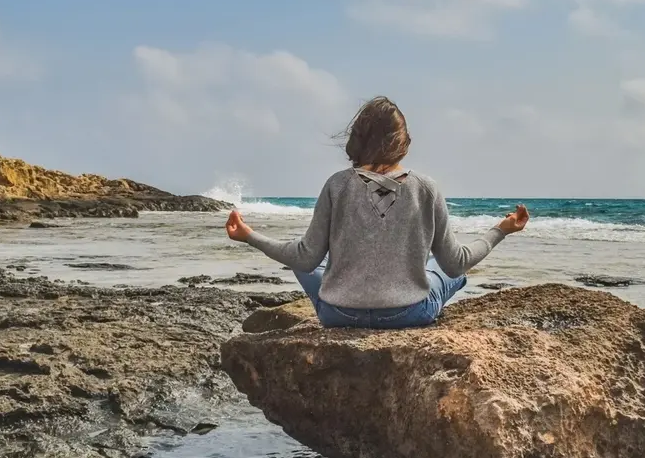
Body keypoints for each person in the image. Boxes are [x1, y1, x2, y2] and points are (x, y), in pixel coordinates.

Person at [225, 96, 529, 329]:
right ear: (402, 143)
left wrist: (249, 235)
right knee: (444, 269)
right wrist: (501, 230)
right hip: (409, 314)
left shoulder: (336, 185)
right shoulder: (426, 188)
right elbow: (456, 262)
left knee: (303, 256)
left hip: (338, 315)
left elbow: (305, 258)